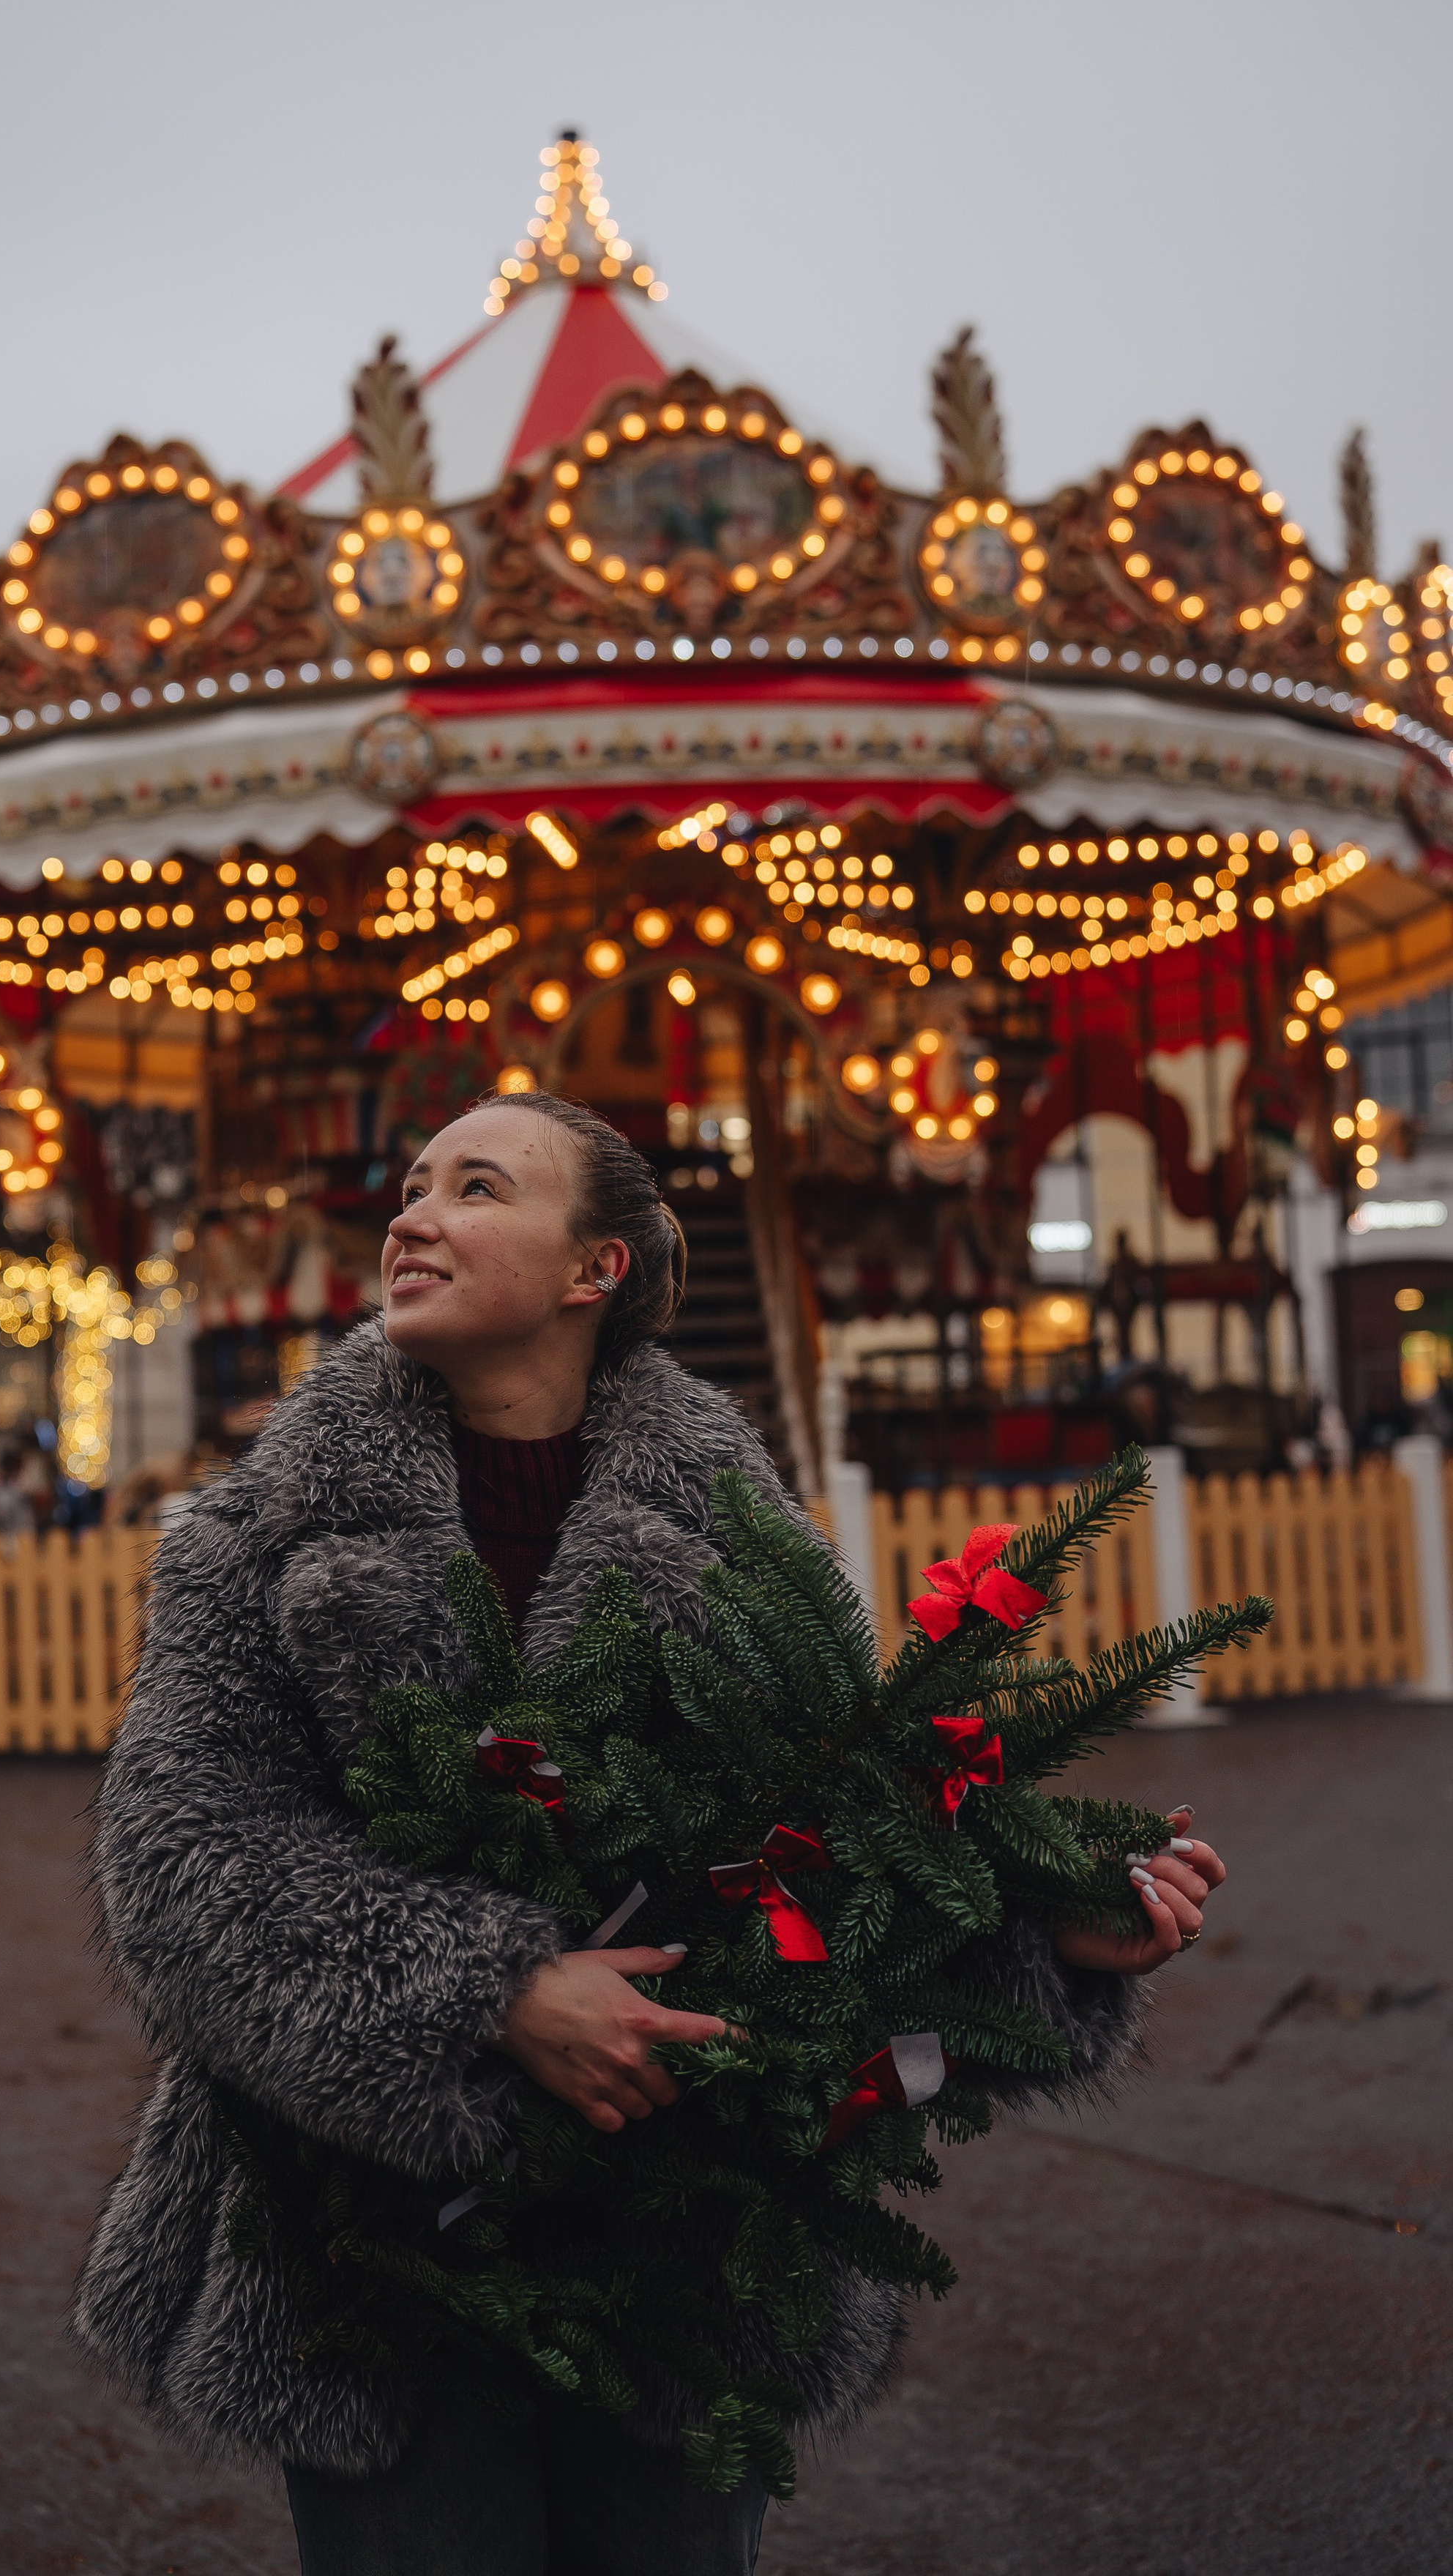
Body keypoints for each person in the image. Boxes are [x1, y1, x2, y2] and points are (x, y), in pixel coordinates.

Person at [75, 1092, 1224, 2574]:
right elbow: (180, 1859)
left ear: (593, 1268)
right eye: (413, 1185)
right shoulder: (254, 1543)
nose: (411, 1216)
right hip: (369, 2249)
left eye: (476, 1187)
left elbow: (839, 1842)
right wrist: (489, 1994)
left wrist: (1042, 1940)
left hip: (685, 2237)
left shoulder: (747, 1549)